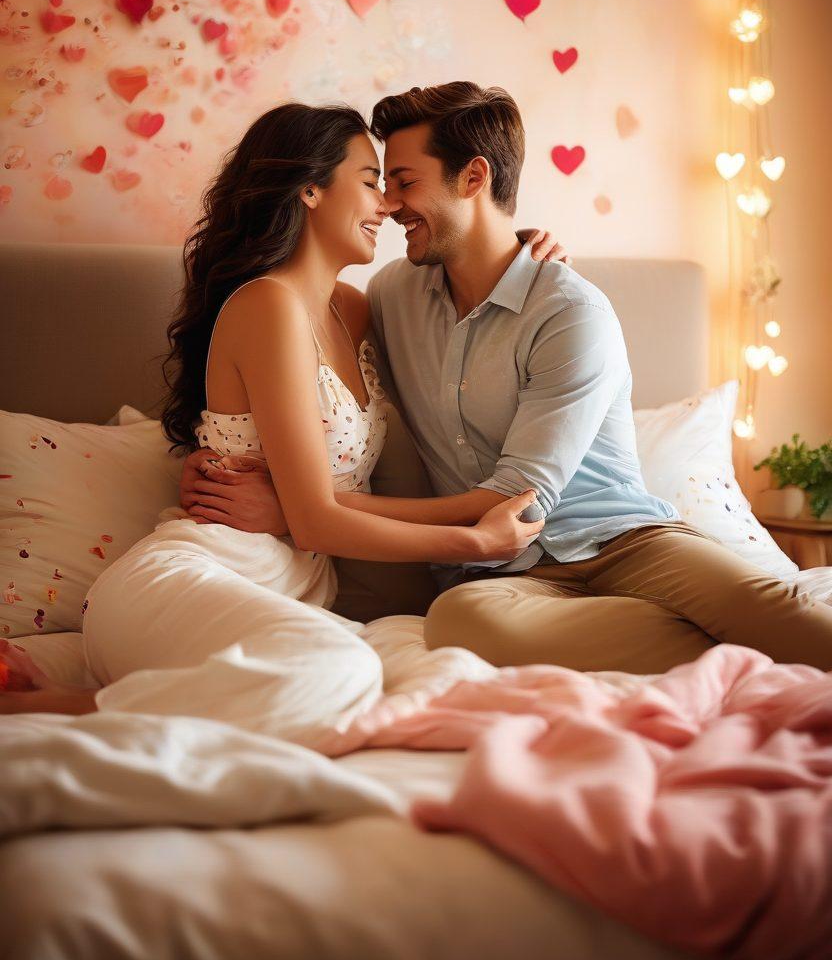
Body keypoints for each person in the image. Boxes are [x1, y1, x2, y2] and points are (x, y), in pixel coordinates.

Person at [178, 82, 832, 676]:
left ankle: (741, 627)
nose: (389, 204)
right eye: (381, 183)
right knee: (463, 623)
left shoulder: (569, 310)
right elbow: (297, 378)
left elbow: (519, 498)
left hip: (614, 540)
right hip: (496, 575)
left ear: (473, 177)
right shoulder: (388, 299)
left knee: (764, 601)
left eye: (402, 182)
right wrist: (262, 480)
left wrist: (305, 508)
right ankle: (715, 643)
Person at [1, 101, 564, 729]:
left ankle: (98, 699)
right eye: (372, 182)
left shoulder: (358, 309)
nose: (387, 206)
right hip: (195, 576)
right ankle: (58, 704)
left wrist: (528, 259)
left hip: (290, 595)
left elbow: (463, 306)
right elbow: (316, 520)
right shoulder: (267, 304)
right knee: (340, 672)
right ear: (310, 189)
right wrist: (473, 541)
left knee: (414, 664)